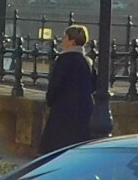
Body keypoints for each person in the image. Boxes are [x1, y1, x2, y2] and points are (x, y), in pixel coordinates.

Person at [38, 24, 98, 155]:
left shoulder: (64, 60)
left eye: (65, 37)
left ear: (72, 41)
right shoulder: (87, 61)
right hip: (85, 109)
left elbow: (55, 84)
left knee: (57, 146)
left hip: (64, 108)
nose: (63, 40)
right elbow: (94, 84)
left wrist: (50, 101)